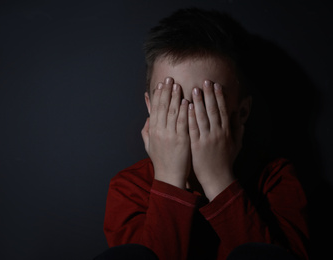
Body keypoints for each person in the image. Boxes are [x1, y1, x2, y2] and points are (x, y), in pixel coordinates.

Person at [100, 8, 309, 260]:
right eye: (173, 102)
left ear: (241, 112)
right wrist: (168, 179)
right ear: (151, 107)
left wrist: (218, 180)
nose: (188, 118)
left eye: (205, 103)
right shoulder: (129, 188)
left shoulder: (274, 180)